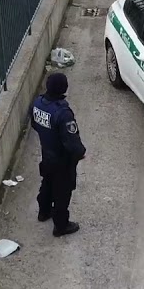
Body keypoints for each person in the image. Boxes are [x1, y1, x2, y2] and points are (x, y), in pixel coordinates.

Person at [29, 72, 86, 236]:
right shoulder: (63, 113)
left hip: (47, 154)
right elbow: (70, 139)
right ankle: (61, 226)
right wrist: (80, 152)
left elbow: (34, 123)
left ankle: (44, 211)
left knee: (47, 183)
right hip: (62, 160)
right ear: (63, 88)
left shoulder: (38, 103)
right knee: (62, 192)